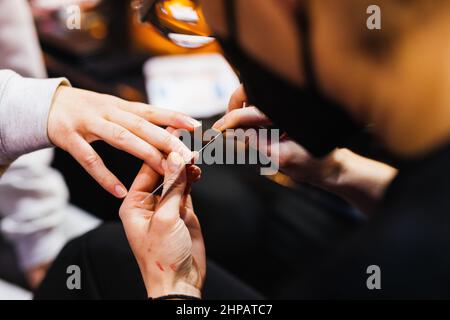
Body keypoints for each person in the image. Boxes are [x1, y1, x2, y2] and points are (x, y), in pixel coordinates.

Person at [36, 0, 450, 299]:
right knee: (107, 253)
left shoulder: (383, 268)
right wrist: (337, 171)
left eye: (212, 18)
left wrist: (174, 289)